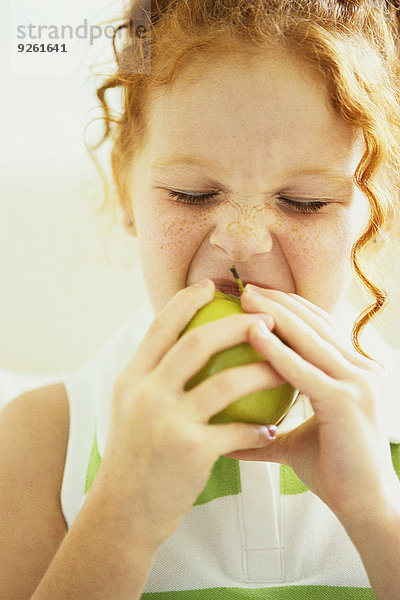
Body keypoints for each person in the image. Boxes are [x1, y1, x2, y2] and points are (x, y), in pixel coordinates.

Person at [1, 0, 400, 598]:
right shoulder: (44, 438)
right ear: (125, 187)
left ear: (379, 209)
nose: (241, 238)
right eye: (191, 194)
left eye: (306, 201)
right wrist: (122, 518)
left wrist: (378, 519)